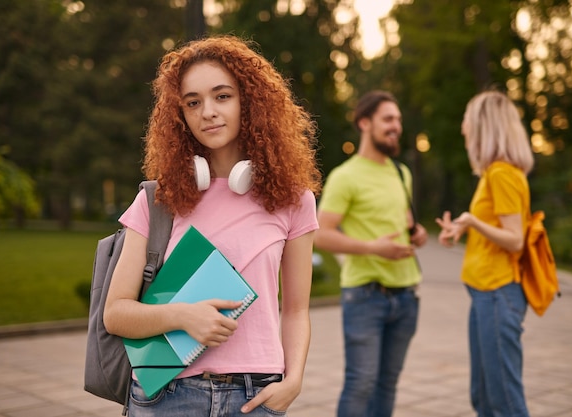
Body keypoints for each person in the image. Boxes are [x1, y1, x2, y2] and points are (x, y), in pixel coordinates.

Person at [103, 35, 322, 416]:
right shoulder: (157, 200)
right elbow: (116, 313)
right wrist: (183, 315)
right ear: (180, 114)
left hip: (256, 397)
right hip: (166, 394)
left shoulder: (294, 199)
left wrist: (294, 380)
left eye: (222, 96)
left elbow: (296, 310)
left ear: (249, 102)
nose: (207, 111)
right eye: (193, 102)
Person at [314, 90, 428, 417]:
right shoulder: (344, 176)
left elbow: (402, 223)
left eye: (399, 120)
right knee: (361, 383)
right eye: (388, 119)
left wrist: (416, 235)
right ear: (365, 122)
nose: (396, 126)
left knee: (387, 384)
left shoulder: (401, 172)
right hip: (365, 296)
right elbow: (321, 234)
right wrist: (371, 248)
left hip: (406, 295)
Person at [436, 90, 534, 417]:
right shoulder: (494, 172)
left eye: (467, 119)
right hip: (485, 295)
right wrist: (464, 228)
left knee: (504, 402)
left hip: (498, 294)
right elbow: (498, 228)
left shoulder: (502, 173)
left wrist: (473, 221)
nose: (463, 127)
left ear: (482, 126)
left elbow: (515, 239)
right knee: (485, 399)